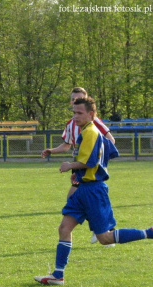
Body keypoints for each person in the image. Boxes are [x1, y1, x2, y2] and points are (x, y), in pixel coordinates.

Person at [34, 97, 152, 285]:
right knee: (64, 228)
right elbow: (112, 151)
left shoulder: (91, 132)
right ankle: (58, 275)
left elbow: (90, 162)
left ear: (91, 114)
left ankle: (149, 233)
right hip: (82, 189)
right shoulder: (88, 132)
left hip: (93, 191)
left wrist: (70, 165)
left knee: (104, 238)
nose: (75, 116)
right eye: (74, 112)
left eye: (79, 113)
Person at [41, 87, 116, 245]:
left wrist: (99, 159)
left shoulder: (93, 123)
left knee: (76, 197)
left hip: (88, 167)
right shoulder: (71, 124)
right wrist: (52, 151)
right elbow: (67, 145)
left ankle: (103, 231)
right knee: (75, 198)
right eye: (74, 99)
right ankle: (102, 231)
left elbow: (111, 140)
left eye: (79, 98)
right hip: (77, 167)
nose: (76, 101)